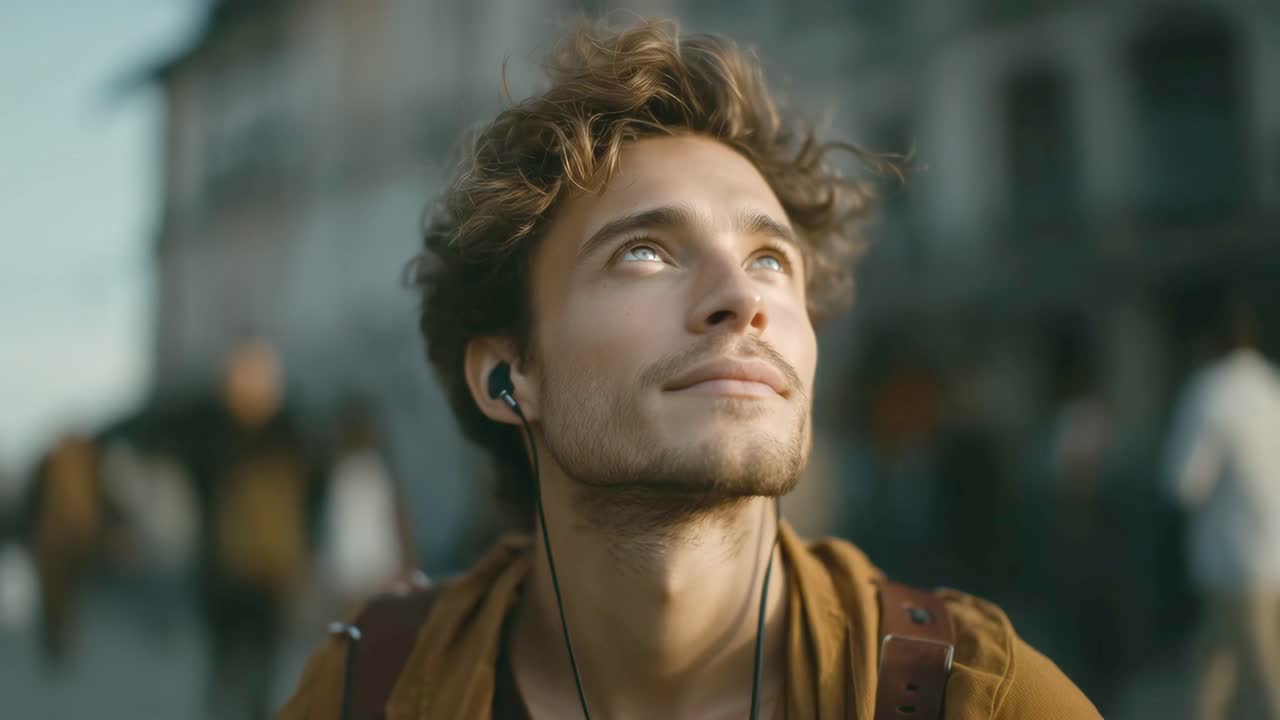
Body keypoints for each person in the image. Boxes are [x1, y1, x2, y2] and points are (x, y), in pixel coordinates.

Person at [279, 18, 1098, 719]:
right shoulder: (369, 691)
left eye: (772, 259)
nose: (742, 298)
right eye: (645, 251)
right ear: (508, 375)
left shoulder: (980, 698)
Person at [1164, 294, 1280, 720]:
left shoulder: (1209, 392)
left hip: (1235, 562)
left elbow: (1183, 483)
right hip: (1274, 553)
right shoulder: (1272, 388)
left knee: (1261, 675)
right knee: (1214, 665)